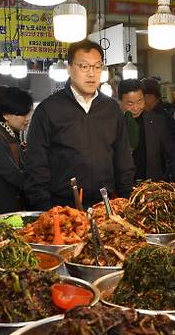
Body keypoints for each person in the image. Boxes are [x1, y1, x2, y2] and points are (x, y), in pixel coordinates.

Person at [25, 39, 134, 209]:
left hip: (104, 205)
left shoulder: (111, 109)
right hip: (61, 206)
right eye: (84, 66)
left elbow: (123, 158)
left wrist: (126, 199)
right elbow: (36, 163)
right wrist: (44, 206)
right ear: (70, 69)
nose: (92, 73)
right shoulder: (49, 109)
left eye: (97, 67)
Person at [0, 87, 33, 214]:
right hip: (0, 208)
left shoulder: (11, 132)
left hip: (12, 203)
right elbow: (10, 172)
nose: (27, 118)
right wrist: (37, 185)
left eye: (28, 112)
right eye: (22, 114)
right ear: (6, 115)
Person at [118, 79, 171, 182]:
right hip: (123, 187)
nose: (136, 107)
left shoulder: (158, 122)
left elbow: (169, 156)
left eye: (140, 101)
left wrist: (164, 180)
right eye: (130, 104)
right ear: (120, 102)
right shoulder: (114, 124)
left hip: (153, 186)